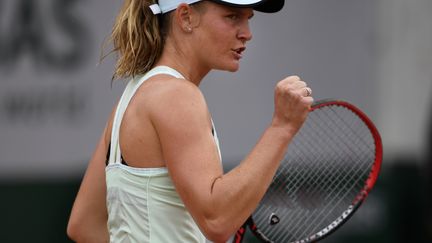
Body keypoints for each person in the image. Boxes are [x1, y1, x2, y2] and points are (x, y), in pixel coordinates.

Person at [67, 0, 313, 242]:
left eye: (248, 19)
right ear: (185, 17)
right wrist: (282, 127)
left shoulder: (131, 98)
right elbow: (217, 220)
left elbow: (84, 225)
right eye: (232, 17)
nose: (247, 34)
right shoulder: (177, 95)